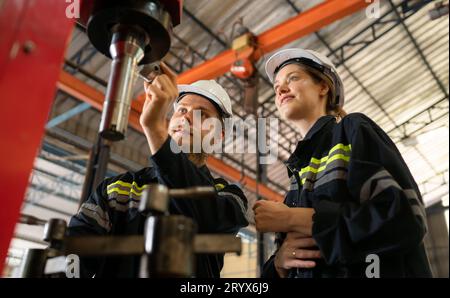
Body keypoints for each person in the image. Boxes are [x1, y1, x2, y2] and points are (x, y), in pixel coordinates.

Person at [253, 48, 432, 278]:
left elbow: (404, 219)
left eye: (293, 78)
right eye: (277, 87)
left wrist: (294, 219)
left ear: (323, 87)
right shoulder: (297, 179)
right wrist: (278, 264)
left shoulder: (352, 130)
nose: (281, 89)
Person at [68, 63, 249, 278]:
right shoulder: (118, 190)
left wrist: (154, 129)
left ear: (218, 136)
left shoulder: (228, 196)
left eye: (202, 115)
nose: (187, 117)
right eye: (182, 110)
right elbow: (74, 253)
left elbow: (208, 218)